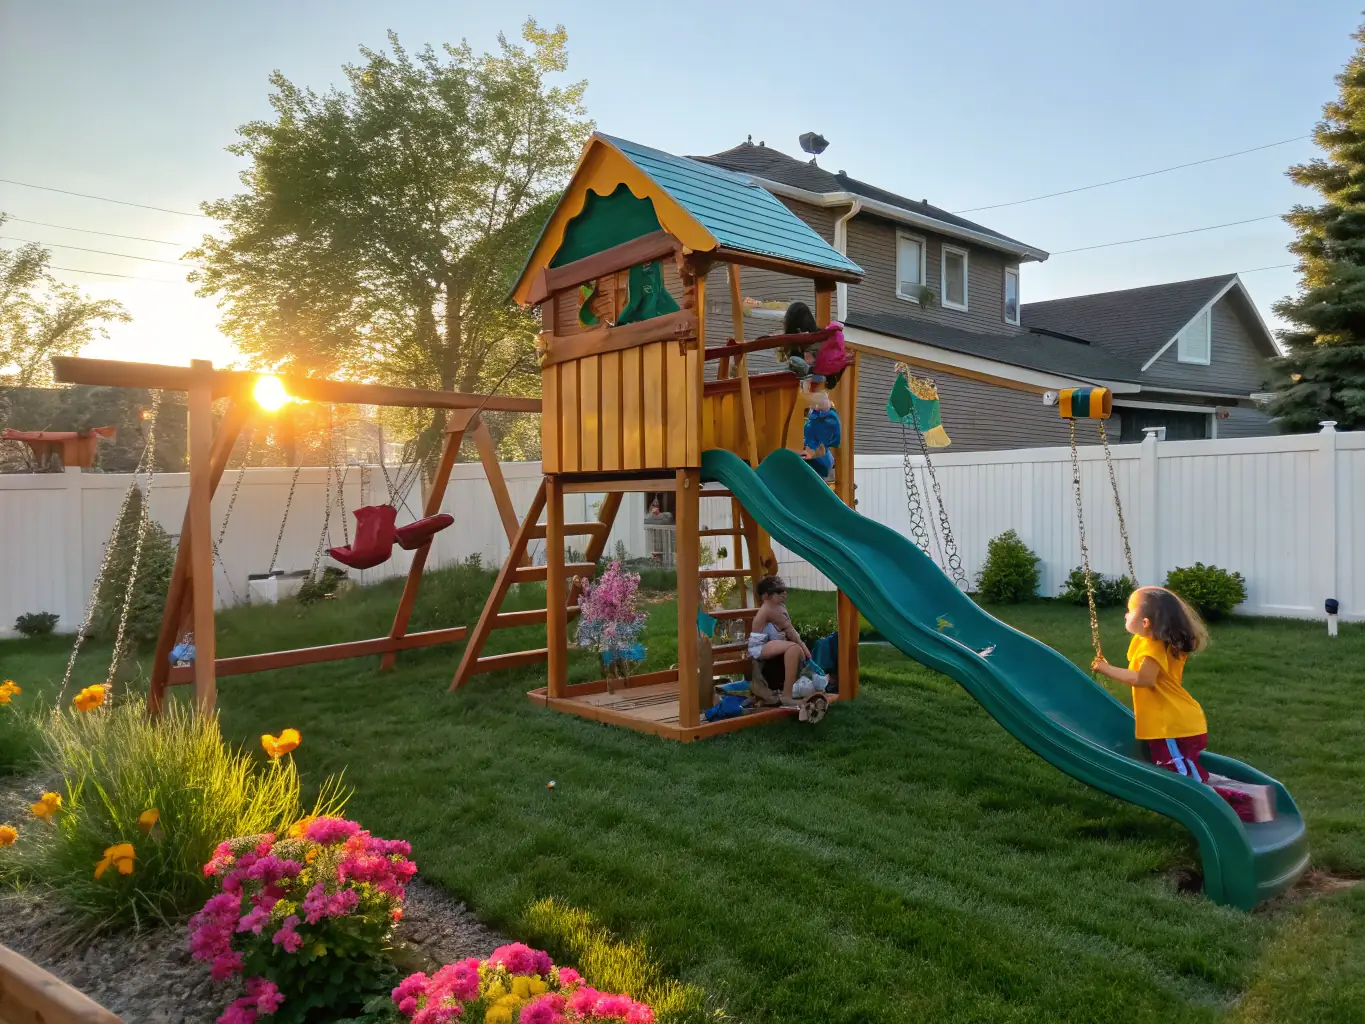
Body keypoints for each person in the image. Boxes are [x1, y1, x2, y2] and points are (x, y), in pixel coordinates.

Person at [1092, 587, 1212, 780]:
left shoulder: (1153, 647)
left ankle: (1227, 802)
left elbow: (1143, 679)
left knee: (1183, 779)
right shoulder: (1156, 640)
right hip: (1173, 723)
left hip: (1171, 727)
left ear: (1146, 622)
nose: (1125, 615)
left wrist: (1105, 668)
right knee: (1177, 771)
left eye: (1130, 611)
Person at [748, 575, 814, 704]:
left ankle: (788, 690)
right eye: (778, 591)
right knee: (794, 647)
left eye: (784, 590)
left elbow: (790, 632)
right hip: (760, 647)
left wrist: (802, 651)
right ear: (766, 596)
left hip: (772, 645)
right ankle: (786, 696)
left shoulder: (780, 607)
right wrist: (806, 650)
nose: (784, 593)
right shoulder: (768, 608)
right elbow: (791, 631)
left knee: (795, 650)